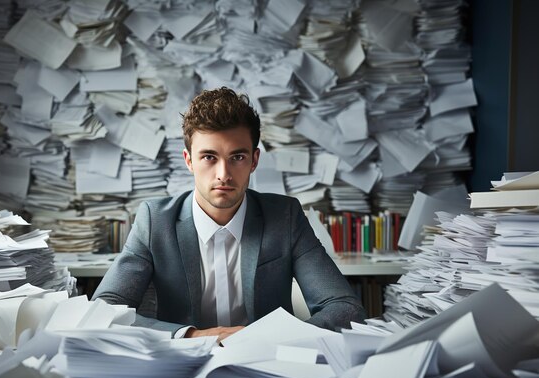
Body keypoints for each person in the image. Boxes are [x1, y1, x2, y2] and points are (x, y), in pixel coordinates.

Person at [93, 87, 366, 342]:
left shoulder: (285, 217)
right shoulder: (155, 221)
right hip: (184, 365)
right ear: (189, 161)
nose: (223, 174)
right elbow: (103, 311)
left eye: (237, 157)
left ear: (254, 160)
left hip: (266, 364)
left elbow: (345, 308)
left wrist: (265, 338)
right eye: (209, 157)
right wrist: (190, 336)